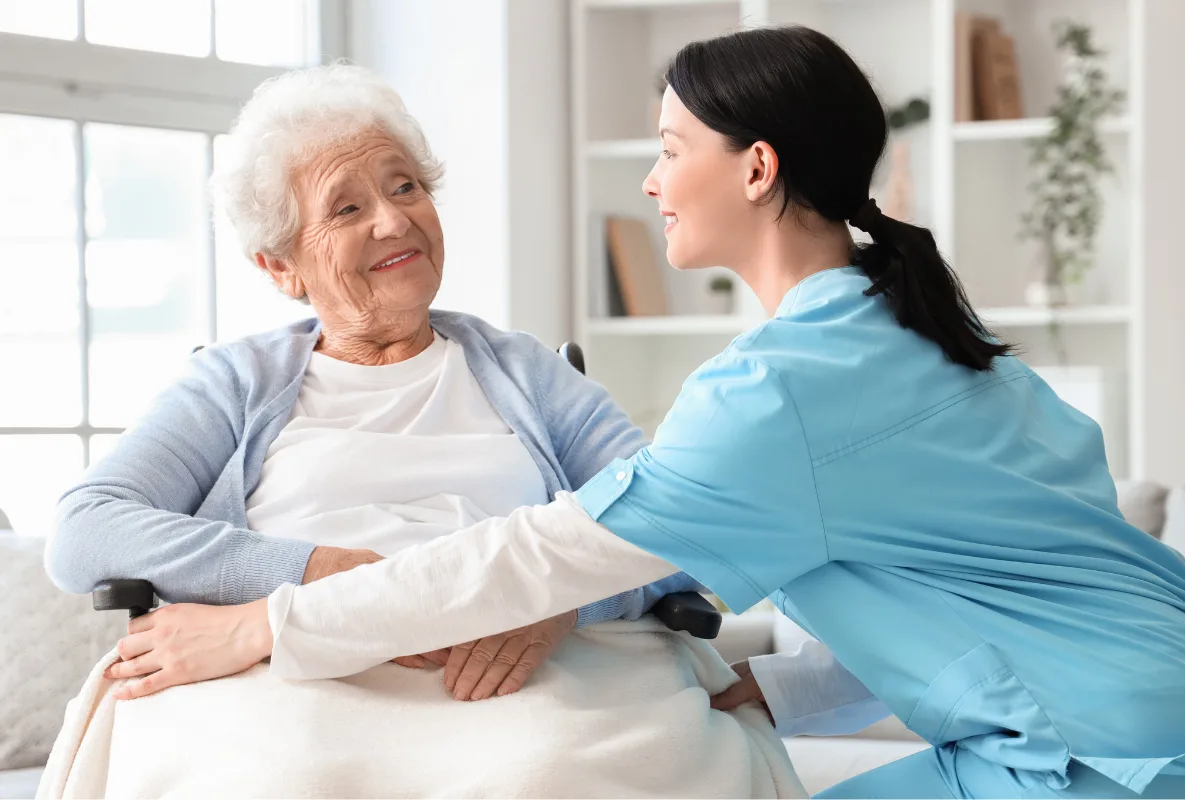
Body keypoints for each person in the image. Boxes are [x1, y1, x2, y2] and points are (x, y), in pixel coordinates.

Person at [84, 28, 1185, 800]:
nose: (655, 183)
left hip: (1103, 758)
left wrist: (266, 620)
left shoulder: (780, 390)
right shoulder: (918, 337)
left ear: (755, 167)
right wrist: (778, 681)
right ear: (279, 263)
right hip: (1119, 722)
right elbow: (977, 590)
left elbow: (554, 547)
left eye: (670, 150)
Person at [40, 64, 809, 798]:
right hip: (296, 669)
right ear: (280, 267)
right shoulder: (234, 383)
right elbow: (86, 530)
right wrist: (322, 572)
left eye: (405, 186)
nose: (394, 218)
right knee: (282, 780)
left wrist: (562, 605)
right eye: (347, 208)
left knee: (546, 771)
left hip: (513, 668)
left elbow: (678, 525)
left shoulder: (528, 373)